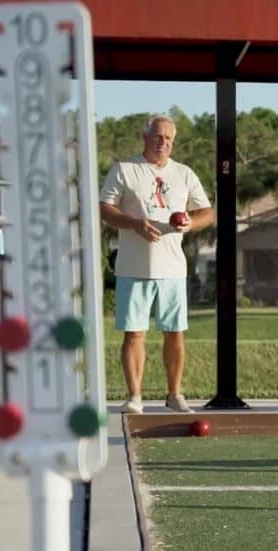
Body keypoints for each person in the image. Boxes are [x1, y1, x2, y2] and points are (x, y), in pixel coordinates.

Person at [99, 114, 215, 414]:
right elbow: (105, 209)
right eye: (157, 137)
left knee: (175, 333)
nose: (162, 143)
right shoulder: (125, 170)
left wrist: (190, 223)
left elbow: (206, 213)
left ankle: (174, 395)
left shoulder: (185, 174)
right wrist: (135, 223)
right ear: (145, 137)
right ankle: (134, 397)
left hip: (173, 269)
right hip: (133, 268)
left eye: (168, 139)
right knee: (134, 333)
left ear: (173, 142)